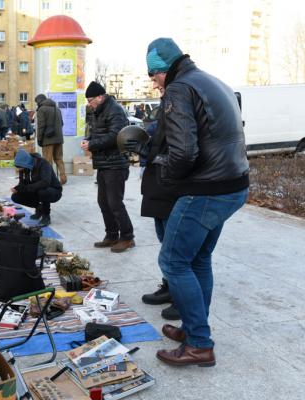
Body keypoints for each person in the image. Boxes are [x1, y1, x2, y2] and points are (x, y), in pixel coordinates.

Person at [142, 38, 249, 367]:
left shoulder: (178, 88)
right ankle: (193, 330)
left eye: (153, 73)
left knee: (173, 262)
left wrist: (169, 178)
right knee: (199, 259)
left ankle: (200, 345)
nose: (153, 80)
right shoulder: (210, 80)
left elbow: (184, 151)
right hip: (233, 185)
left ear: (164, 69)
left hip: (207, 188)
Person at [124, 89, 181, 321]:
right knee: (164, 241)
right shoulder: (162, 120)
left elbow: (182, 155)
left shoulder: (182, 121)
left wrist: (155, 157)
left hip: (173, 189)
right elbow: (151, 143)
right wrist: (139, 146)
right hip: (157, 187)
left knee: (176, 249)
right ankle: (169, 286)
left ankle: (181, 297)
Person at [81, 81, 135, 253]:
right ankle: (112, 235)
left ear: (100, 97)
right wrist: (89, 140)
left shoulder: (115, 110)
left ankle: (127, 237)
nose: (89, 103)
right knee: (103, 201)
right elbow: (97, 133)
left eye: (90, 100)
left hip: (116, 163)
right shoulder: (98, 111)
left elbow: (115, 136)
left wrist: (92, 144)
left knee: (115, 202)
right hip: (104, 163)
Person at [11, 149, 62, 227]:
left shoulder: (43, 164)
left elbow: (45, 182)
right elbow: (22, 183)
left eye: (20, 167)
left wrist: (27, 188)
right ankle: (39, 208)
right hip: (36, 190)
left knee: (42, 192)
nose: (19, 169)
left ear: (26, 162)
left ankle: (46, 215)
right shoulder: (24, 168)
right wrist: (17, 188)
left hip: (53, 191)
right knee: (15, 196)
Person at [35, 94, 66, 185]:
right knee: (59, 159)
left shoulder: (42, 110)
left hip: (47, 140)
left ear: (39, 101)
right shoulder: (58, 109)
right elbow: (62, 124)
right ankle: (63, 178)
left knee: (47, 161)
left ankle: (49, 180)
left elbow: (41, 126)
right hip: (59, 139)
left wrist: (39, 139)